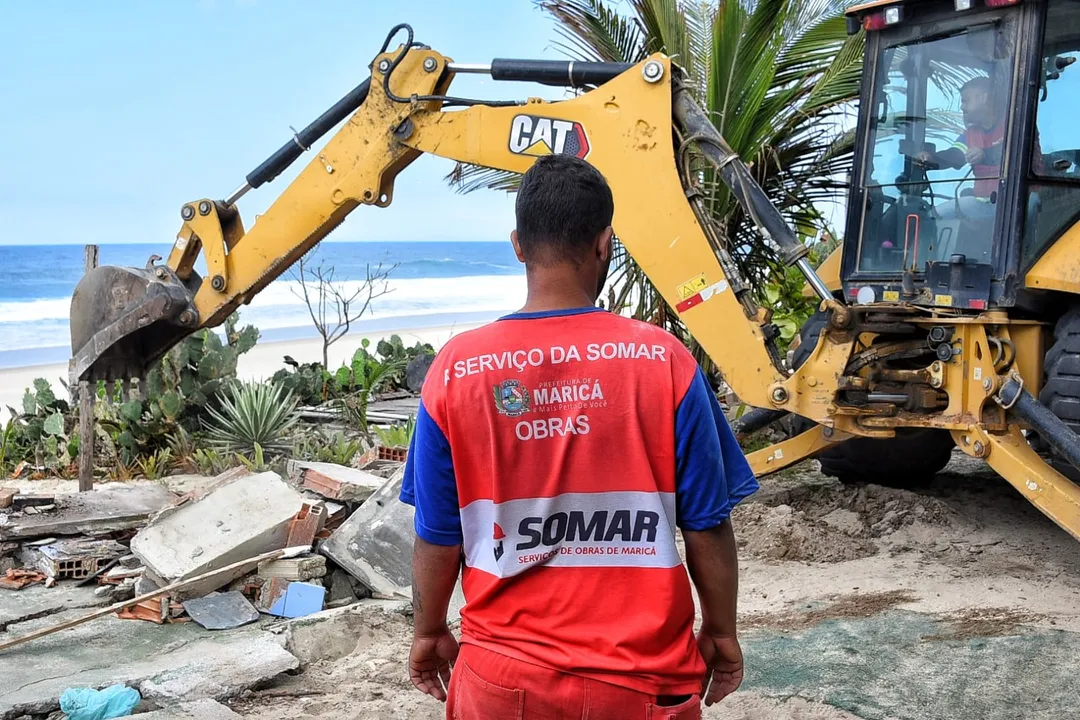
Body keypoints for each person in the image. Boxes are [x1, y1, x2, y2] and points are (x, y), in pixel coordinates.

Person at [400, 152, 759, 719]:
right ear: (604, 244)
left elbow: (439, 534)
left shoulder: (456, 370)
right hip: (643, 683)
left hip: (501, 679)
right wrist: (720, 629)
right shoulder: (664, 362)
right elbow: (708, 525)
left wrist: (427, 631)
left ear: (518, 244)